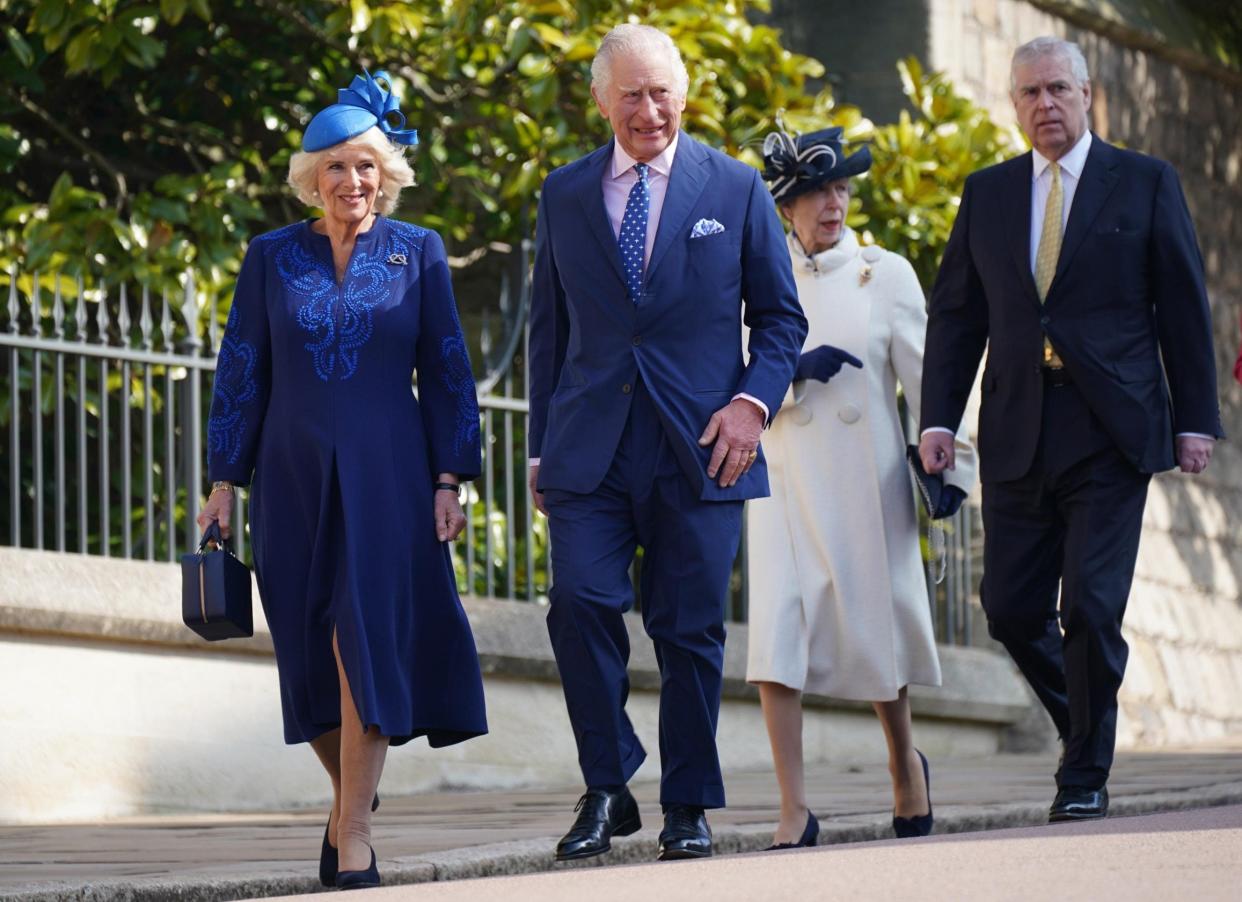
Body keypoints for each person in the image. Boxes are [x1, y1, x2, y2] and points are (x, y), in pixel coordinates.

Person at [196, 70, 487, 889]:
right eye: (336, 168)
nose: (353, 182)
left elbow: (451, 371)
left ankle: (352, 830)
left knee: (363, 636)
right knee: (306, 648)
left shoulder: (417, 251)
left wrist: (449, 477)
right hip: (288, 474)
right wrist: (224, 482)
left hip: (389, 472)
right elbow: (241, 370)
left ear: (385, 175)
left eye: (367, 167)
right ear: (310, 178)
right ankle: (347, 798)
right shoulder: (269, 257)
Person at [919, 36, 1221, 823]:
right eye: (1029, 93)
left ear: (1088, 96)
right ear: (1013, 105)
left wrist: (1196, 420)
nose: (1044, 105)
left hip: (1110, 427)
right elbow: (957, 317)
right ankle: (1084, 723)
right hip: (1019, 422)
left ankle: (1083, 771)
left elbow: (1184, 310)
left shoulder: (1144, 183)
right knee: (1011, 611)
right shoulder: (987, 194)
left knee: (1090, 605)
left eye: (1058, 89)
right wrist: (936, 421)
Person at [527, 23, 807, 862]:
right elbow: (551, 327)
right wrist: (542, 447)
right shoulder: (564, 193)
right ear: (601, 101)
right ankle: (608, 787)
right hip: (590, 446)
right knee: (578, 606)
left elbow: (782, 320)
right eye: (630, 95)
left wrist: (752, 406)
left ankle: (688, 801)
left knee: (688, 630)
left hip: (703, 446)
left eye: (661, 93)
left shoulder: (736, 188)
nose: (648, 111)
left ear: (683, 95)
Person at [746, 125, 977, 848]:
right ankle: (794, 809)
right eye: (816, 191)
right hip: (782, 474)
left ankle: (904, 764)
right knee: (776, 644)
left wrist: (952, 466)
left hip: (863, 479)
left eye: (841, 188)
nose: (832, 203)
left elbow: (930, 381)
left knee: (876, 633)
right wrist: (786, 373)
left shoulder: (888, 274)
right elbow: (725, 370)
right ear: (787, 204)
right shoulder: (755, 274)